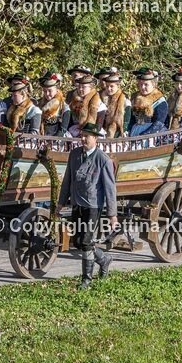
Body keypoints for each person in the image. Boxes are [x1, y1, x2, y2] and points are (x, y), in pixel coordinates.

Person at [57, 122, 117, 289]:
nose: (83, 139)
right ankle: (104, 259)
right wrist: (60, 203)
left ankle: (86, 280)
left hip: (93, 206)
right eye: (81, 135)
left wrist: (112, 215)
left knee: (86, 241)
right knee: (77, 242)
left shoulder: (103, 160)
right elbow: (67, 180)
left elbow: (110, 188)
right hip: (77, 203)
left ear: (95, 138)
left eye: (87, 136)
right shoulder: (74, 154)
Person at [128, 67, 168, 136]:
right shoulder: (135, 98)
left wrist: (144, 135)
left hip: (153, 134)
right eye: (140, 84)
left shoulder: (160, 101)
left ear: (153, 85)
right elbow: (131, 120)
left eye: (146, 84)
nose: (143, 87)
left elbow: (158, 123)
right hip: (135, 132)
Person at [37, 71, 68, 136]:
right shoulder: (39, 104)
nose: (47, 94)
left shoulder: (64, 106)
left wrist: (53, 141)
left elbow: (63, 129)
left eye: (50, 91)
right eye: (45, 91)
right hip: (41, 136)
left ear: (57, 89)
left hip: (57, 139)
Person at [101, 70, 131, 138]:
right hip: (104, 132)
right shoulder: (102, 100)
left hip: (120, 133)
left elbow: (126, 122)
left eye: (111, 86)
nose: (109, 89)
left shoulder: (125, 101)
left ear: (118, 86)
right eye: (107, 86)